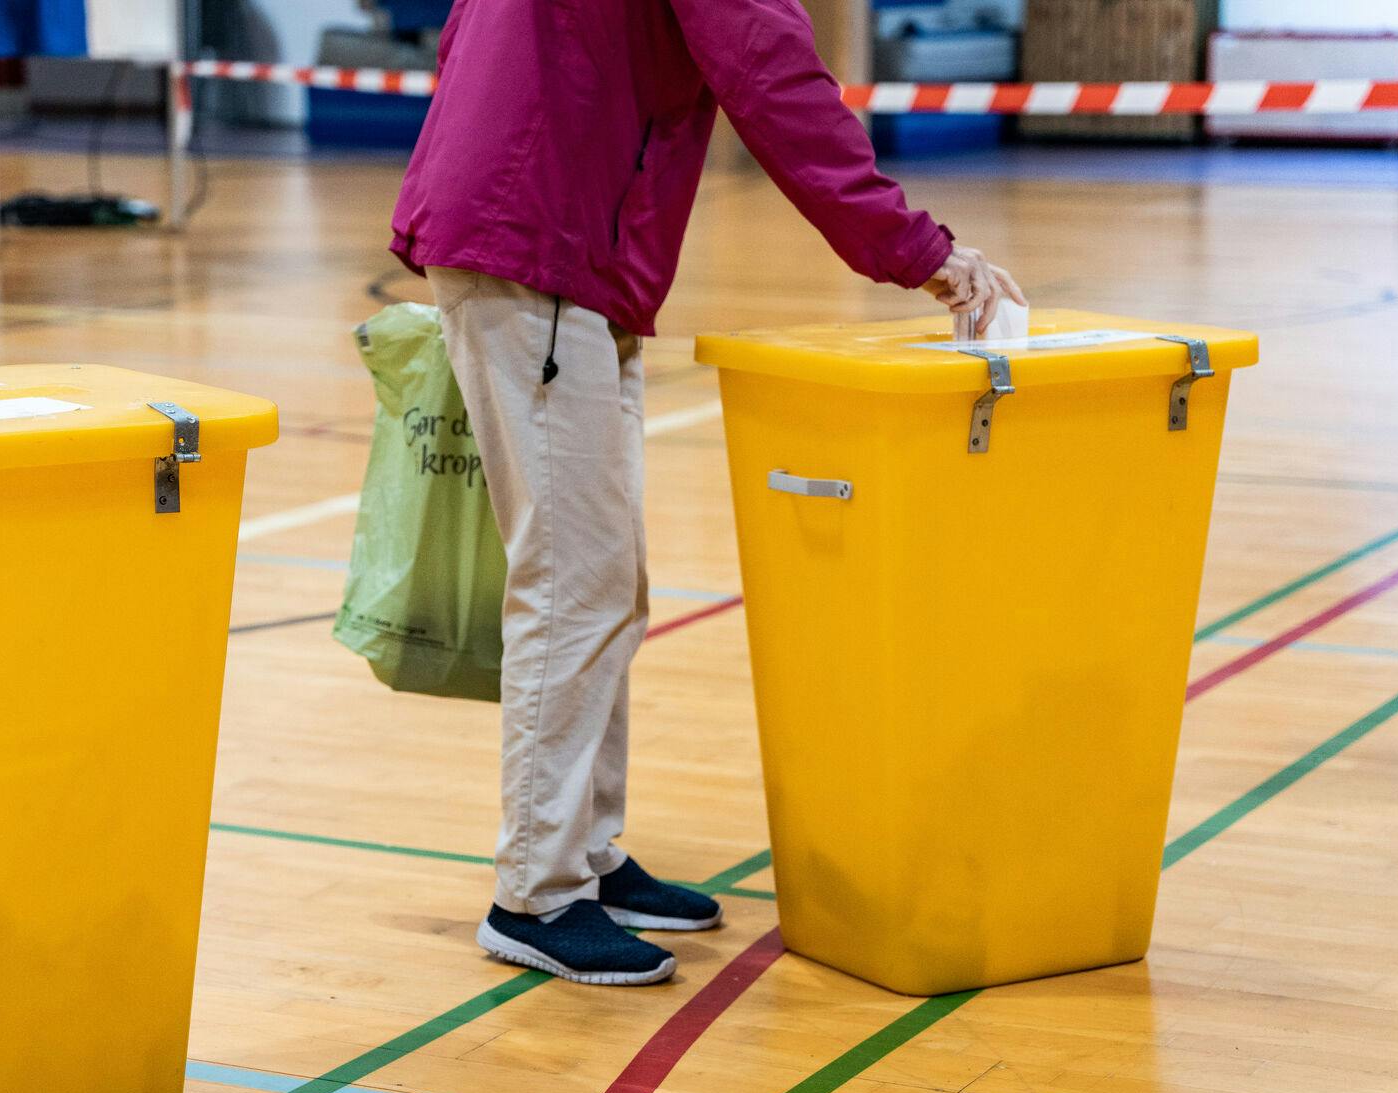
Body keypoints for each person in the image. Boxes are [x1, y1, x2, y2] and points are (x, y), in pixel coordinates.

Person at [389, 0, 1026, 986]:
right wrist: (918, 250)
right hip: (541, 242)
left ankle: (586, 856)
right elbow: (768, 73)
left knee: (604, 580)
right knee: (574, 581)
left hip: (560, 242)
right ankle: (536, 892)